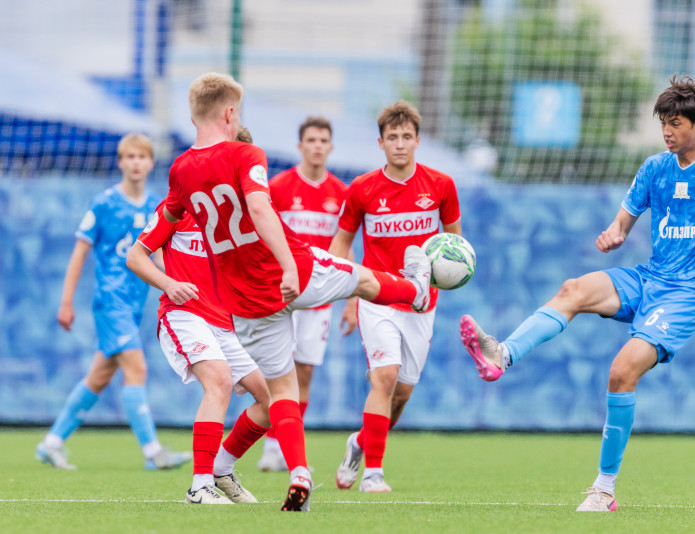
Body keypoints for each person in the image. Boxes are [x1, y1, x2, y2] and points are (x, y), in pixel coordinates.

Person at [459, 75, 695, 512]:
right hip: (652, 278)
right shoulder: (654, 167)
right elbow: (622, 223)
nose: (667, 131)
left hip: (692, 291)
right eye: (663, 122)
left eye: (676, 123)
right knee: (574, 289)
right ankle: (503, 354)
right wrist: (613, 234)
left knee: (622, 370)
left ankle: (604, 489)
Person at [161, 73, 432, 512]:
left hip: (244, 299)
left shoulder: (180, 169)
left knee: (281, 389)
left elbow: (167, 221)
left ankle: (291, 472)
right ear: (231, 113)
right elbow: (259, 207)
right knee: (363, 278)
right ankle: (417, 291)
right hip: (290, 271)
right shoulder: (247, 153)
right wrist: (288, 263)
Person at [126, 126, 274, 504]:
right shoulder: (181, 205)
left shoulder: (250, 219)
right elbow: (135, 255)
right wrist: (168, 283)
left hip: (225, 321)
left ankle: (221, 469)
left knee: (269, 402)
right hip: (183, 313)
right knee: (220, 382)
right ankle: (199, 485)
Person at [329, 100, 462, 493]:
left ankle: (359, 443)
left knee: (401, 395)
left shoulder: (441, 185)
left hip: (422, 304)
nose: (400, 144)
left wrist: (450, 273)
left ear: (418, 140)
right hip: (377, 298)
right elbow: (341, 243)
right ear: (380, 142)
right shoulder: (362, 189)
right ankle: (373, 472)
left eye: (406, 137)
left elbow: (454, 244)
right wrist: (348, 293)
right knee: (383, 378)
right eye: (392, 138)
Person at [36, 133, 191, 471]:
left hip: (134, 306)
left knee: (99, 377)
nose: (135, 162)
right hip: (110, 302)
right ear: (120, 162)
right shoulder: (103, 203)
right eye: (129, 157)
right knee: (137, 368)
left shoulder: (156, 207)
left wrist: (178, 283)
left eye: (142, 157)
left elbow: (161, 256)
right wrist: (66, 302)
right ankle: (153, 452)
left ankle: (51, 443)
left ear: (151, 163)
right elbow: (79, 254)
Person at [257, 116, 351, 472]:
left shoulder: (340, 194)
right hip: (281, 295)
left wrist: (352, 300)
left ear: (330, 146)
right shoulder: (278, 187)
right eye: (310, 139)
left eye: (323, 140)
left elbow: (344, 247)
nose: (317, 145)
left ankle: (284, 447)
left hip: (321, 297)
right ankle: (271, 448)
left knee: (305, 373)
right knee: (275, 371)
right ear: (300, 146)